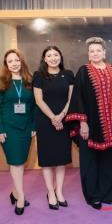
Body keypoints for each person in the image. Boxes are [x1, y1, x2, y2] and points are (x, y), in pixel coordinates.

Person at [65, 37, 112, 210]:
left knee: (109, 160)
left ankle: (107, 193)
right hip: (90, 126)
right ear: (88, 54)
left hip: (111, 126)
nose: (95, 53)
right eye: (92, 51)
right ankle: (93, 196)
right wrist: (82, 122)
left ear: (104, 52)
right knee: (90, 162)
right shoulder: (83, 71)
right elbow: (78, 98)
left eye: (98, 50)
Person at [0, 49, 36, 216]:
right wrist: (0, 130)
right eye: (10, 61)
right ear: (6, 65)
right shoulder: (0, 82)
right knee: (15, 162)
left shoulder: (29, 81)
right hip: (8, 129)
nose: (14, 63)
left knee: (21, 162)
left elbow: (34, 107)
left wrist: (33, 127)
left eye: (17, 60)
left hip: (26, 128)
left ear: (22, 62)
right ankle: (21, 197)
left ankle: (15, 193)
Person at [33, 46, 74, 210]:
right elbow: (38, 100)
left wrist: (62, 116)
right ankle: (50, 192)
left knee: (61, 160)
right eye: (49, 55)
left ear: (60, 57)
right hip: (45, 122)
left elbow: (71, 98)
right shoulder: (39, 76)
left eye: (56, 54)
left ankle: (60, 191)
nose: (53, 58)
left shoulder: (69, 74)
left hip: (64, 122)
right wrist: (53, 118)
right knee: (48, 160)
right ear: (44, 59)